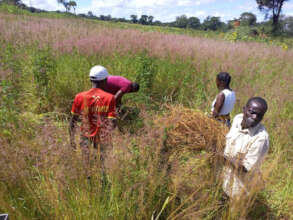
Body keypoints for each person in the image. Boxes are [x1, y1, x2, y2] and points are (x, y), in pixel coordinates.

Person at [69, 65, 116, 173]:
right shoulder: (109, 98)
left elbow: (73, 122)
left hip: (85, 137)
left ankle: (88, 184)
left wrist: (72, 140)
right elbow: (112, 123)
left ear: (90, 79)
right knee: (103, 167)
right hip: (103, 138)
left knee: (87, 165)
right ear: (105, 80)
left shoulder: (79, 97)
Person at [222, 97, 269, 201]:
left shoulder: (260, 138)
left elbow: (245, 168)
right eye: (252, 112)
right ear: (244, 109)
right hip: (222, 179)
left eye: (259, 115)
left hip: (237, 191)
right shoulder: (238, 119)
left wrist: (221, 156)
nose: (255, 117)